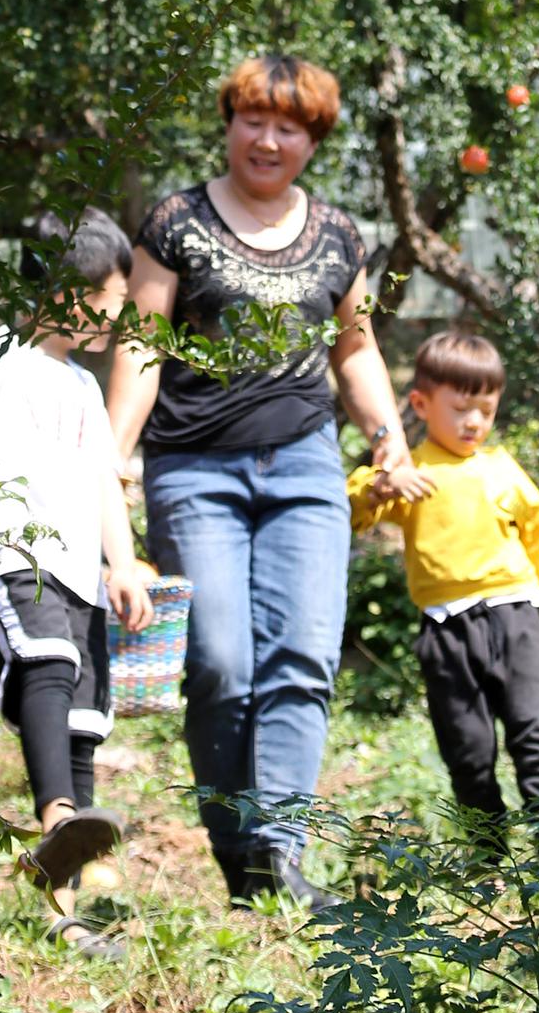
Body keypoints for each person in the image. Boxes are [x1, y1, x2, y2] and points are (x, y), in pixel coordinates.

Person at [106, 52, 422, 910]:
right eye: (255, 119)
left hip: (307, 465)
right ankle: (236, 853)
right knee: (219, 662)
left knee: (304, 656)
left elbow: (355, 349)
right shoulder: (175, 222)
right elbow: (141, 343)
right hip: (193, 467)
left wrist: (389, 442)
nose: (269, 139)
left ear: (313, 140)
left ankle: (280, 858)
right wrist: (111, 459)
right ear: (230, 121)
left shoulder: (340, 236)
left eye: (290, 127)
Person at [0, 211, 156, 898]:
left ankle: (67, 885)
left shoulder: (85, 386)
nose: (115, 318)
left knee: (85, 719)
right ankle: (57, 812)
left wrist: (121, 564)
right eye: (110, 300)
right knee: (48, 662)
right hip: (7, 554)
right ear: (65, 290)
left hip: (80, 572)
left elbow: (102, 485)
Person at [350, 324, 539, 825]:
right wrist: (382, 484)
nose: (474, 422)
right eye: (460, 409)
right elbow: (354, 509)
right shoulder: (412, 471)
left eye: (487, 411)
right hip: (447, 630)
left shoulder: (502, 467)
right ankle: (489, 859)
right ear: (421, 404)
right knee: (467, 750)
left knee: (534, 735)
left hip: (517, 618)